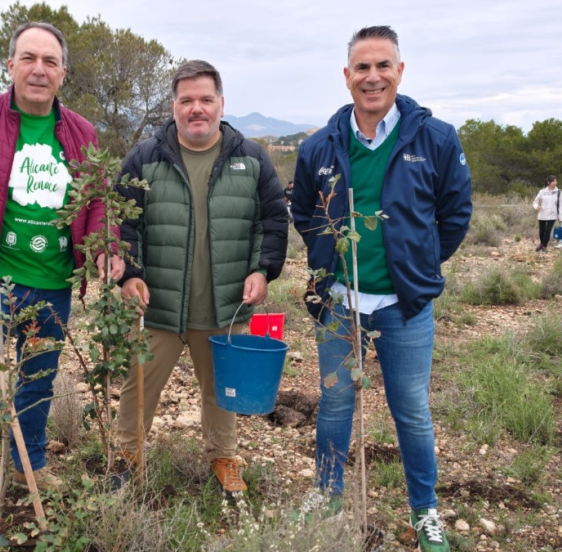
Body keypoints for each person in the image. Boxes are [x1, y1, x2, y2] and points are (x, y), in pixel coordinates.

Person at [0, 21, 123, 544]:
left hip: (53, 286)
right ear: (9, 65)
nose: (39, 69)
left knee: (35, 387)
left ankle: (29, 467)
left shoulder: (81, 133)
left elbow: (99, 203)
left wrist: (104, 251)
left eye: (50, 61)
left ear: (62, 73)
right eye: (28, 58)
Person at [291, 26, 471, 552]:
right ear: (347, 77)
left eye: (383, 66)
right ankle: (326, 496)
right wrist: (325, 257)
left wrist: (419, 265)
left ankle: (425, 511)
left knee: (410, 410)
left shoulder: (435, 138)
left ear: (400, 71)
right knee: (333, 404)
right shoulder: (319, 145)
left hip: (404, 307)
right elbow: (305, 211)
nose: (373, 77)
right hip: (339, 304)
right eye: (362, 68)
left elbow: (455, 215)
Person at [113, 60, 289, 495]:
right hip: (159, 304)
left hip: (221, 302)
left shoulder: (250, 158)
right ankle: (125, 458)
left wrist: (261, 269)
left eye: (205, 99)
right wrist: (129, 275)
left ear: (221, 104)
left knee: (221, 391)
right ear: (173, 106)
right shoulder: (145, 157)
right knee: (140, 385)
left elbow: (271, 222)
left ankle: (223, 458)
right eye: (187, 100)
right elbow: (121, 221)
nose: (197, 109)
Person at [531, 175, 562, 252]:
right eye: (553, 181)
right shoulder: (542, 192)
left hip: (552, 215)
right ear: (549, 182)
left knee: (547, 231)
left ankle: (544, 246)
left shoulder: (559, 192)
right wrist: (536, 207)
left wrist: (561, 217)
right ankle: (542, 243)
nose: (555, 182)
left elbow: (561, 205)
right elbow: (535, 202)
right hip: (542, 214)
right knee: (541, 231)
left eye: (556, 181)